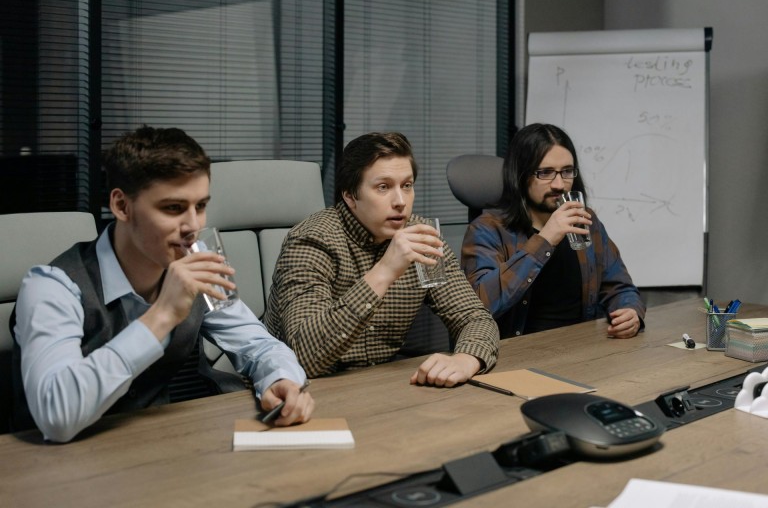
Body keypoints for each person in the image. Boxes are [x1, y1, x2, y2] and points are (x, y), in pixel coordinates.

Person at [12, 125, 314, 442]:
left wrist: (281, 380)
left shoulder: (194, 260)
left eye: (200, 206)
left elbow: (259, 346)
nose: (193, 226)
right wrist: (163, 314)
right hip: (62, 465)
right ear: (121, 206)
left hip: (160, 444)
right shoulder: (51, 287)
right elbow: (57, 418)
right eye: (173, 208)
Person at [264, 132, 499, 386]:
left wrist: (467, 358)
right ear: (350, 196)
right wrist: (385, 270)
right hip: (296, 391)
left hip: (378, 386)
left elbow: (474, 318)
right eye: (383, 187)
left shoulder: (421, 236)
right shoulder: (312, 240)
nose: (400, 202)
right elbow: (306, 357)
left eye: (406, 186)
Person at [461, 123, 645, 339]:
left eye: (567, 171)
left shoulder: (586, 220)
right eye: (545, 172)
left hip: (581, 352)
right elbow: (479, 306)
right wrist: (545, 239)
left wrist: (631, 312)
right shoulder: (487, 229)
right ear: (520, 175)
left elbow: (620, 286)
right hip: (517, 356)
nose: (559, 184)